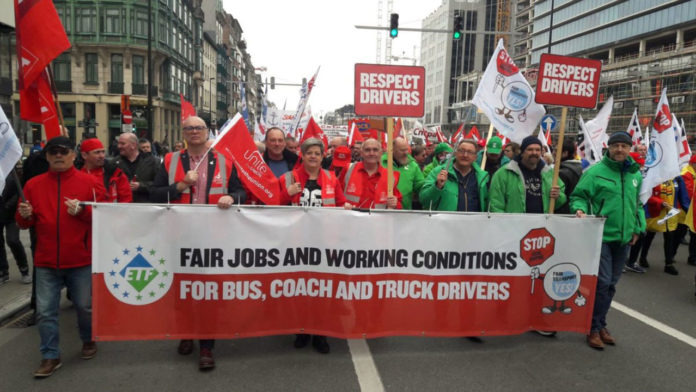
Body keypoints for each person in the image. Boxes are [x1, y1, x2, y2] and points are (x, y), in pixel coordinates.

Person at [150, 116, 246, 371]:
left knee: (207, 291)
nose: (194, 132)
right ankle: (185, 332)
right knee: (182, 288)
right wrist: (182, 185)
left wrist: (231, 197)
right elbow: (155, 194)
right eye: (189, 128)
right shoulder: (170, 160)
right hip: (179, 234)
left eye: (199, 128)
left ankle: (206, 345)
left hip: (213, 236)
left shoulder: (224, 161)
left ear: (206, 132)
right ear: (184, 133)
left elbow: (241, 192)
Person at [16, 136, 106, 377]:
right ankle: (50, 355)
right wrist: (25, 215)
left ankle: (88, 339)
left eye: (63, 151)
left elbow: (104, 216)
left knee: (85, 307)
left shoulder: (89, 182)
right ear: (46, 156)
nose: (58, 155)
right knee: (45, 312)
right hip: (46, 261)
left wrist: (83, 211)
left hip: (80, 259)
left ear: (73, 155)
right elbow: (24, 222)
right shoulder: (33, 185)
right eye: (53, 151)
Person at [570, 131, 645, 350]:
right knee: (602, 283)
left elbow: (637, 204)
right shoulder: (595, 172)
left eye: (624, 145)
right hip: (600, 234)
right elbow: (578, 196)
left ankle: (601, 324)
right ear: (609, 148)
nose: (620, 149)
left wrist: (636, 228)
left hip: (623, 238)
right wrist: (580, 211)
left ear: (630, 148)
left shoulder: (635, 174)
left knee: (611, 285)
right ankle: (593, 328)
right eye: (616, 146)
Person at [278, 138, 346, 354]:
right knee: (300, 290)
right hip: (296, 243)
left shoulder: (331, 178)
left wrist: (347, 208)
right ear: (303, 155)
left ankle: (320, 333)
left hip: (324, 243)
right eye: (310, 153)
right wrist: (285, 194)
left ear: (322, 155)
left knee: (322, 289)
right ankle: (302, 330)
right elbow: (272, 207)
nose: (314, 156)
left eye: (317, 153)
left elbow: (340, 203)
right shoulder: (288, 178)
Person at [489, 136, 566, 214]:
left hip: (542, 224)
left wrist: (558, 196)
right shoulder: (503, 174)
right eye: (530, 149)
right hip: (514, 224)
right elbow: (496, 204)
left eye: (537, 150)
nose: (534, 153)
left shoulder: (550, 173)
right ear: (522, 152)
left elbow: (559, 202)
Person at [420, 139, 489, 212]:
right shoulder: (439, 172)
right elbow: (424, 200)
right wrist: (437, 186)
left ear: (475, 157)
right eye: (461, 151)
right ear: (455, 153)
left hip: (474, 222)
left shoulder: (482, 177)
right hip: (445, 222)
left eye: (470, 152)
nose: (465, 155)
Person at [340, 138, 402, 210]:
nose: (371, 153)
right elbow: (337, 196)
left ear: (381, 153)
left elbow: (398, 204)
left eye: (375, 150)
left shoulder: (390, 177)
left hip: (378, 220)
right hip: (352, 218)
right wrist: (343, 205)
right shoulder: (348, 169)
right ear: (361, 153)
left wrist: (395, 203)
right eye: (367, 150)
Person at [0, 165, 31, 285]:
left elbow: (18, 192)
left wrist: (7, 206)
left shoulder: (12, 172)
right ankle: (3, 271)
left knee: (12, 240)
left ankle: (24, 270)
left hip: (11, 214)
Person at [79, 138, 132, 203]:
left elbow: (126, 200)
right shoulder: (77, 177)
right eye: (97, 152)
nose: (102, 156)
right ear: (84, 155)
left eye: (103, 152)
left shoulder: (116, 173)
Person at [114, 133, 159, 202]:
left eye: (122, 144)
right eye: (118, 143)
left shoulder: (153, 161)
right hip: (122, 207)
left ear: (133, 145)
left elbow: (160, 184)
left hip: (145, 207)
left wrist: (141, 186)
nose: (119, 146)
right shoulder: (114, 163)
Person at [381, 138, 424, 210]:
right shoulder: (381, 163)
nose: (406, 153)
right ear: (392, 149)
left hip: (405, 212)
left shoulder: (413, 165)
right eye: (402, 150)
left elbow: (420, 186)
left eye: (406, 149)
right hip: (382, 211)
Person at [556, 139, 583, 214]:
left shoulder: (561, 173)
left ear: (565, 153)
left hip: (563, 214)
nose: (553, 153)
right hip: (576, 211)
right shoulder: (582, 168)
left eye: (556, 151)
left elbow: (559, 199)